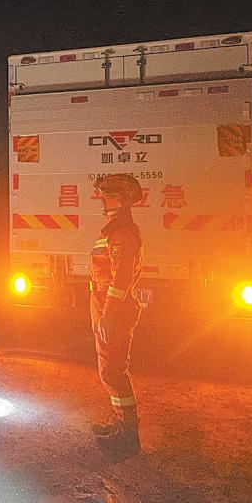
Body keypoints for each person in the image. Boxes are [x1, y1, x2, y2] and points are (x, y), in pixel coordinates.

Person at [89, 173, 144, 455]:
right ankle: (121, 423)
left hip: (115, 311)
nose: (102, 201)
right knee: (109, 368)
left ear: (121, 201)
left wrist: (108, 314)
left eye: (107, 197)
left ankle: (128, 435)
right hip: (105, 306)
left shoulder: (122, 234)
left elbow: (120, 281)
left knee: (113, 371)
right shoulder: (114, 231)